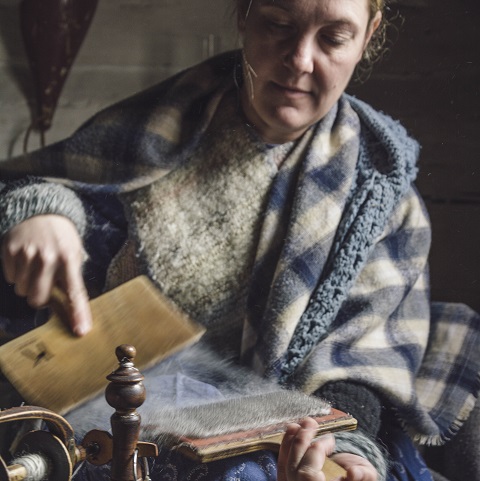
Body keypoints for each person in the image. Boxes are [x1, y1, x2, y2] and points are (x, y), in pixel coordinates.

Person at [0, 0, 479, 480]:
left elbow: (361, 362)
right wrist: (39, 209)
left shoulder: (381, 197)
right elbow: (40, 183)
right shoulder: (152, 128)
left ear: (368, 37)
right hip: (111, 420)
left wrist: (345, 452)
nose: (300, 60)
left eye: (333, 38)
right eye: (278, 25)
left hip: (268, 435)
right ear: (244, 18)